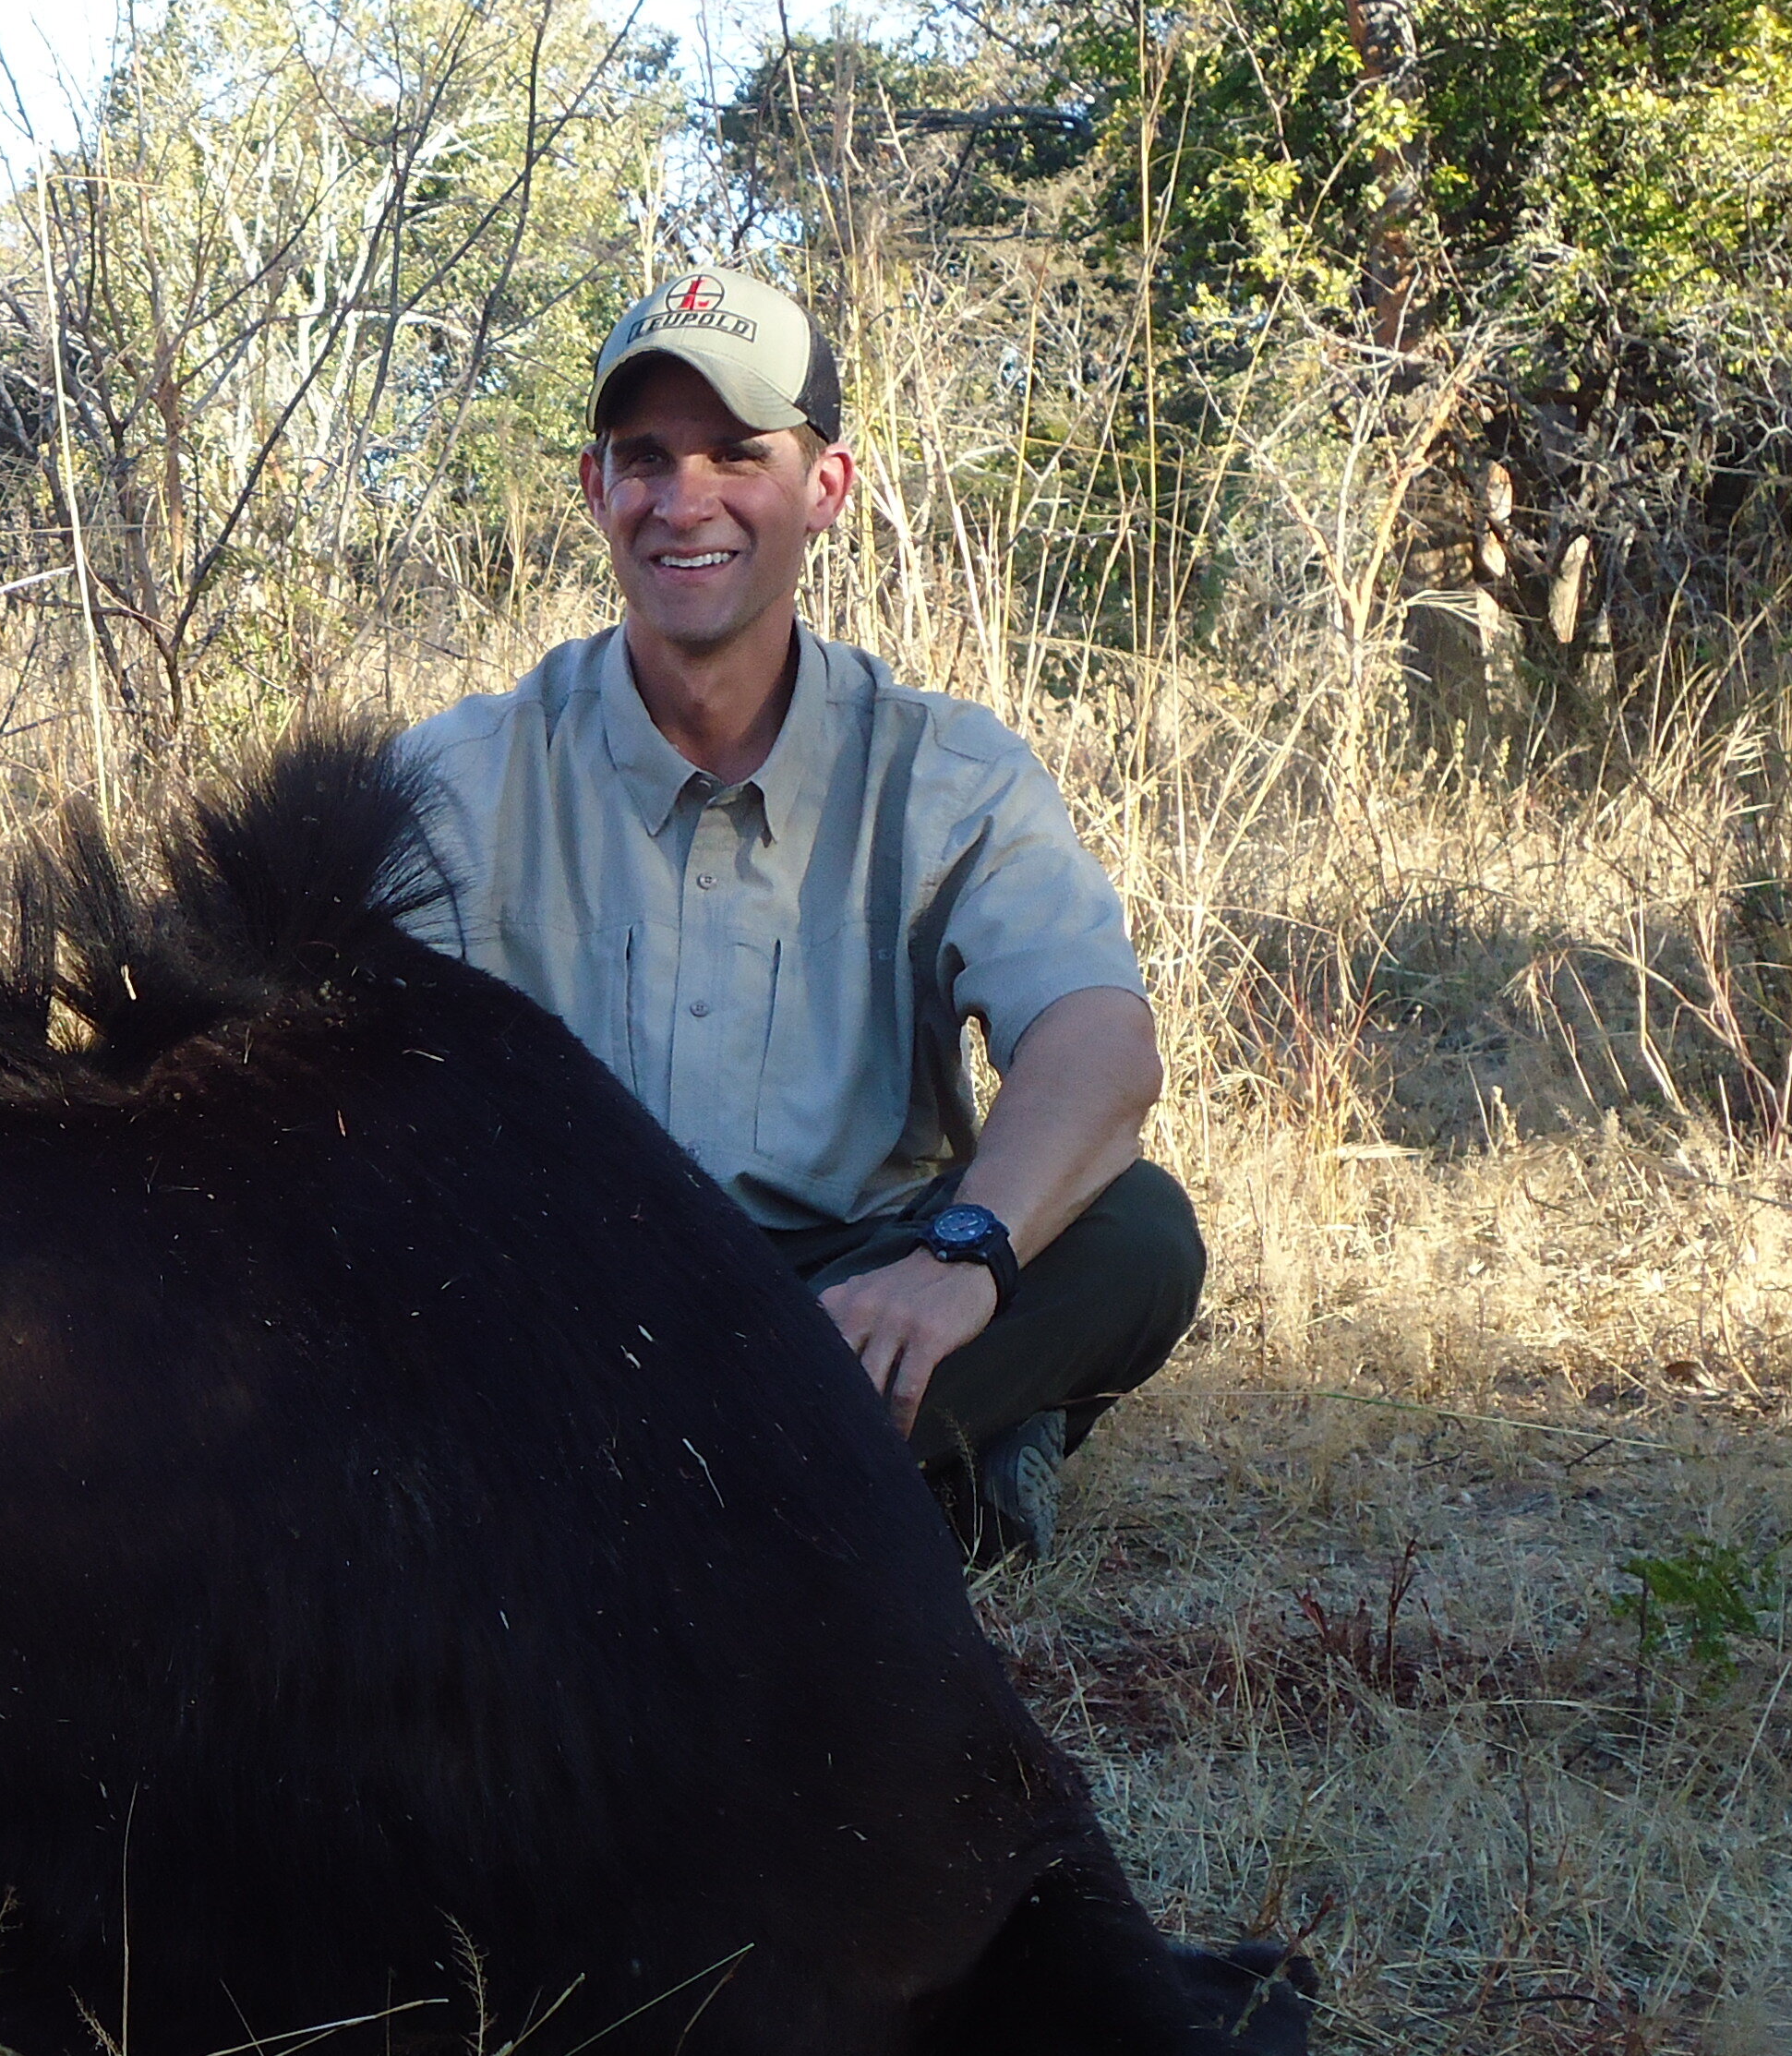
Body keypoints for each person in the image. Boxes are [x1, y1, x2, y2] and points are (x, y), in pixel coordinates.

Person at [394, 264, 1203, 1564]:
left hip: (851, 1284)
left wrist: (961, 1259)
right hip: (571, 1296)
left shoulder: (946, 769)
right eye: (645, 457)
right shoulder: (456, 779)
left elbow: (1100, 1045)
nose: (685, 499)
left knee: (1140, 1234)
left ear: (824, 489)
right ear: (599, 491)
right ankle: (884, 1485)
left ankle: (660, 1493)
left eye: (737, 453)